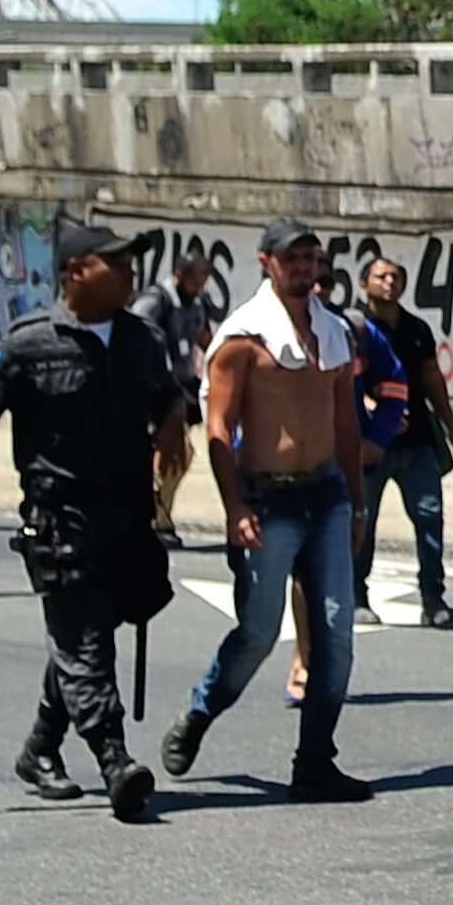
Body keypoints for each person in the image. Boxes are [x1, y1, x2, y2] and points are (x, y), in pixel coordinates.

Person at [0, 216, 184, 820]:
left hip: (127, 512)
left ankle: (40, 747)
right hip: (59, 516)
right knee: (85, 642)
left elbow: (168, 394)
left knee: (93, 629)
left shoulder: (142, 339)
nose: (130, 271)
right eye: (116, 261)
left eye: (132, 261)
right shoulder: (29, 344)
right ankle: (114, 759)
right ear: (76, 271)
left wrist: (175, 421)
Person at [162, 220, 377, 800]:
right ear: (266, 262)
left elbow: (346, 427)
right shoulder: (243, 339)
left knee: (336, 632)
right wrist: (234, 506)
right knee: (258, 632)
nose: (303, 267)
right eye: (291, 258)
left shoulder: (334, 334)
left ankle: (314, 761)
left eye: (310, 257)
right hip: (268, 497)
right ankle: (200, 713)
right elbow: (218, 427)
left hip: (327, 494)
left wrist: (357, 506)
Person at [350, 252, 453, 631]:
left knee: (430, 518)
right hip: (370, 444)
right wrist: (367, 408)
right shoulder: (351, 328)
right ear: (364, 284)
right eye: (381, 277)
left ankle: (433, 600)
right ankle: (356, 596)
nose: (389, 283)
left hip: (416, 443)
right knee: (362, 521)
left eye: (395, 277)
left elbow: (433, 379)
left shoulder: (417, 329)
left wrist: (451, 426)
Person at [136, 240, 224, 526]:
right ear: (179, 275)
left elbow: (204, 338)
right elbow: (135, 336)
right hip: (154, 389)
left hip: (182, 388)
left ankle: (160, 515)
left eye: (204, 280)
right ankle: (154, 515)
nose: (200, 286)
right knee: (170, 452)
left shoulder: (196, 304)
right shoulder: (156, 301)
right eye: (196, 279)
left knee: (179, 455)